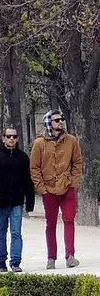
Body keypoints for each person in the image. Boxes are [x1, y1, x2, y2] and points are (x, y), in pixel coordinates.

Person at [30, 109, 83, 269]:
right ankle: (51, 257)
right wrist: (41, 189)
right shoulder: (39, 143)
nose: (60, 122)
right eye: (56, 120)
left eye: (61, 119)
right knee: (50, 224)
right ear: (49, 123)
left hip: (67, 187)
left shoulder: (71, 141)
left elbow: (77, 162)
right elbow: (34, 168)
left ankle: (70, 255)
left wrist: (73, 182)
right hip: (49, 189)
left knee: (69, 220)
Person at [0, 126, 36, 273]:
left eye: (14, 136)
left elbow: (27, 180)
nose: (12, 139)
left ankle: (16, 261)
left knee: (16, 232)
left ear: (17, 138)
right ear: (3, 138)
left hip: (17, 201)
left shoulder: (23, 157)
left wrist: (30, 202)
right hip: (0, 202)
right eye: (9, 136)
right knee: (0, 232)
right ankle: (1, 261)